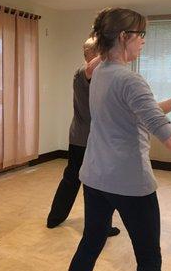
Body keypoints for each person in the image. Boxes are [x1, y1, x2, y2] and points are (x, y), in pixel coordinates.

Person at [57, 7, 171, 271]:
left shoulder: (99, 74)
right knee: (149, 258)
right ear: (125, 37)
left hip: (95, 178)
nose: (144, 42)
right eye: (141, 35)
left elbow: (145, 112)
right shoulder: (130, 80)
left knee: (90, 243)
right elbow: (168, 138)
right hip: (130, 184)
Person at [47, 37, 120, 236]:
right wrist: (110, 49)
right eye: (98, 52)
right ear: (90, 54)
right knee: (78, 180)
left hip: (95, 139)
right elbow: (90, 68)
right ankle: (56, 218)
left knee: (96, 183)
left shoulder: (103, 76)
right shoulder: (82, 73)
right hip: (84, 139)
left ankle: (100, 226)